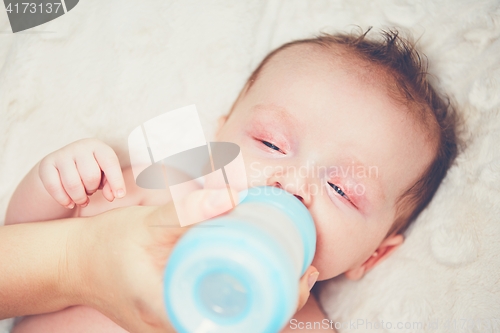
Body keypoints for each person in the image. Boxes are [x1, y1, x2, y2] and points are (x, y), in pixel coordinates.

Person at [3, 28, 458, 332]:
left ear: (373, 256)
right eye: (272, 144)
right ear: (219, 135)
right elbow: (21, 242)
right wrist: (57, 184)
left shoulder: (305, 323)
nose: (293, 183)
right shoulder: (155, 191)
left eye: (341, 190)